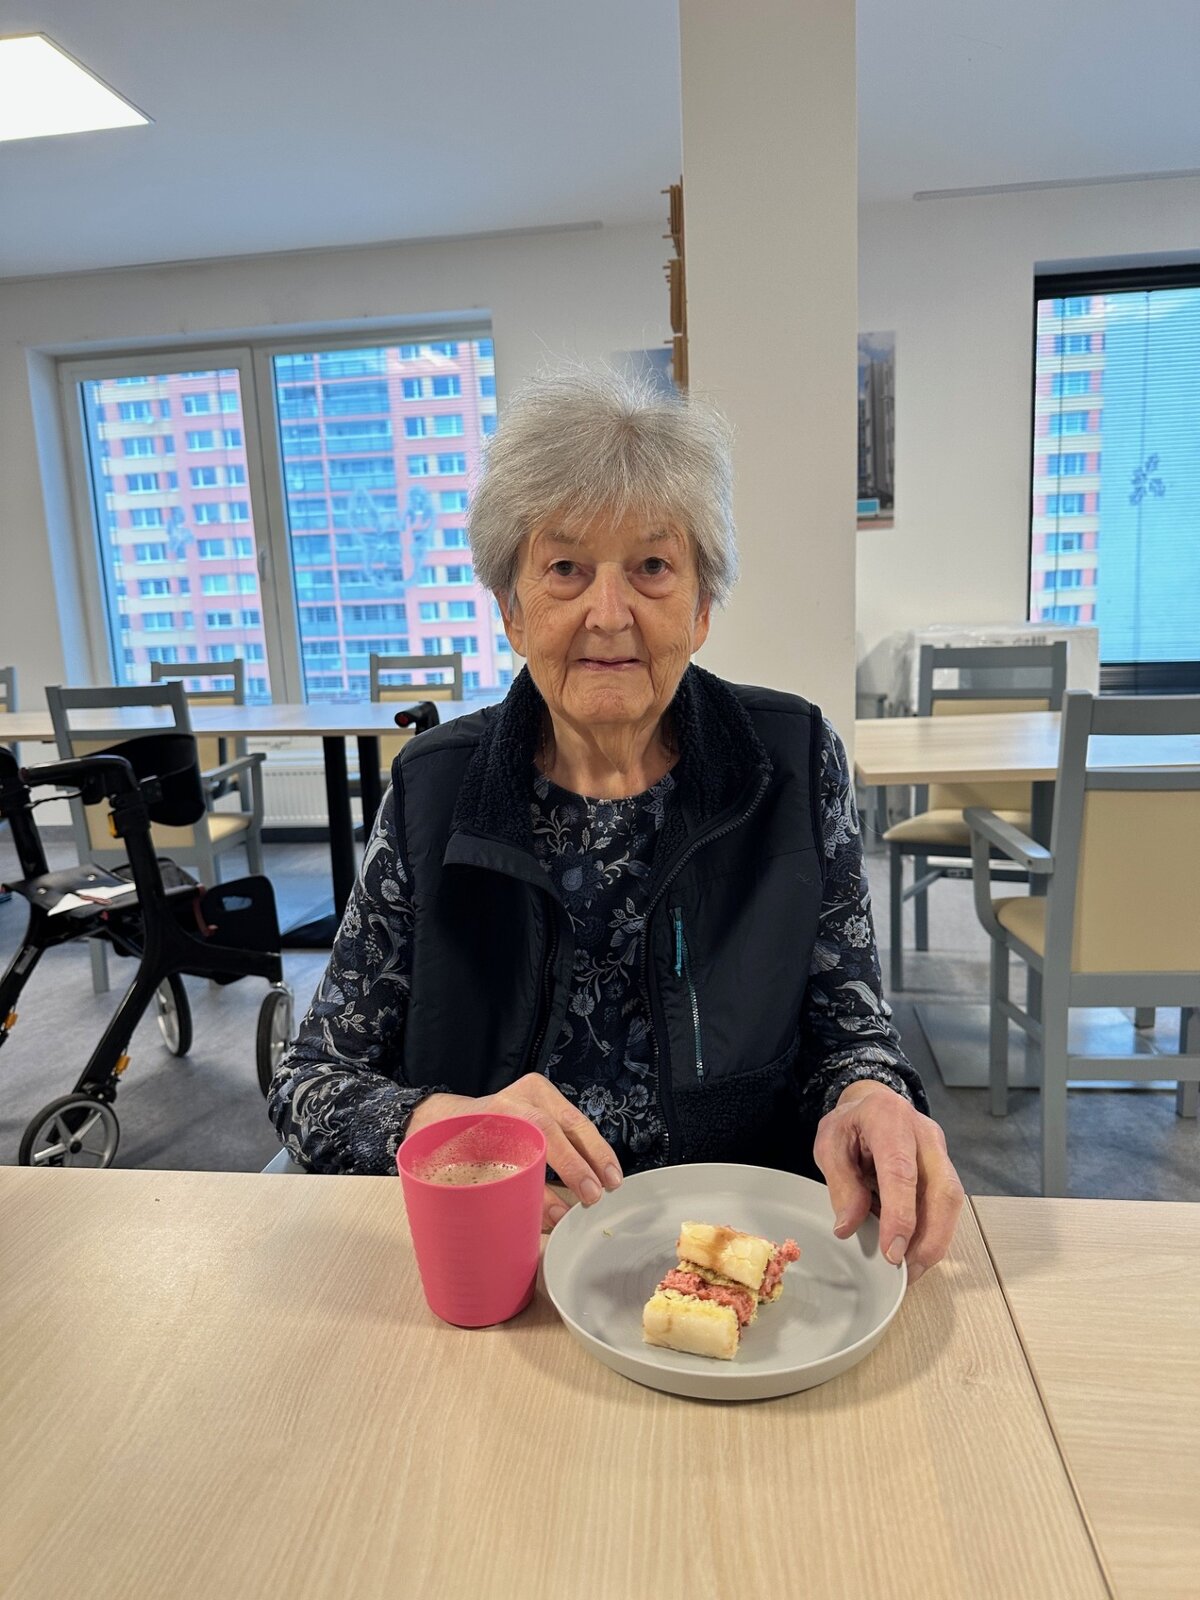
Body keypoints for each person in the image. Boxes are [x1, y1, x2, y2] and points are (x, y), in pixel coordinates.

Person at [269, 368, 964, 1283]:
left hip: (739, 1248)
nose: (608, 614)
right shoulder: (435, 789)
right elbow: (311, 1082)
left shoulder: (793, 761)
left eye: (652, 568)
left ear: (701, 608)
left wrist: (870, 1094)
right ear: (512, 613)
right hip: (508, 1259)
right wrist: (448, 1123)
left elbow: (852, 1036)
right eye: (565, 569)